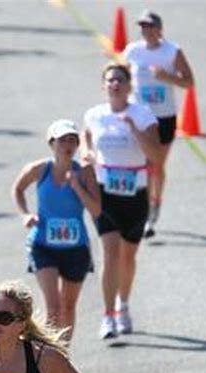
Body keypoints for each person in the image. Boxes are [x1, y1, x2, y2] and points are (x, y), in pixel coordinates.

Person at [81, 62, 162, 339]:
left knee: (128, 256)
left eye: (120, 80)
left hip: (136, 195)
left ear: (129, 86)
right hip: (105, 195)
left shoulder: (143, 115)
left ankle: (123, 304)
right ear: (104, 86)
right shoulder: (95, 115)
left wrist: (135, 131)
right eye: (110, 80)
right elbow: (86, 136)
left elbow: (156, 155)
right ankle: (108, 316)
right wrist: (87, 153)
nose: (115, 84)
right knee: (110, 253)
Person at [12, 119, 100, 342]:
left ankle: (63, 354)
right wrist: (25, 214)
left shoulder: (85, 172)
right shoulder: (39, 169)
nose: (68, 145)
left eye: (72, 140)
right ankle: (47, 354)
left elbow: (96, 210)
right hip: (43, 245)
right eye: (62, 140)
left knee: (68, 306)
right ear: (51, 143)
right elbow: (18, 189)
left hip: (75, 248)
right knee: (53, 306)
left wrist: (78, 187)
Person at [123, 10, 194, 237]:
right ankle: (143, 214)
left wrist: (167, 77)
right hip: (140, 116)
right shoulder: (133, 51)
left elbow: (189, 82)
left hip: (164, 116)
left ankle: (155, 205)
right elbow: (121, 75)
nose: (146, 31)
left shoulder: (172, 51)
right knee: (142, 165)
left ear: (160, 29)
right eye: (143, 27)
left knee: (156, 165)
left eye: (151, 26)